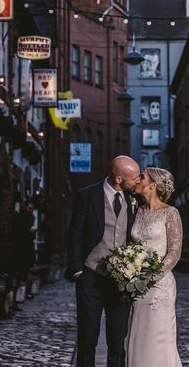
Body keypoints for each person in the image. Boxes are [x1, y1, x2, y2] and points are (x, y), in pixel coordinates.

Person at [66, 155, 141, 367]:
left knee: (117, 340)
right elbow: (75, 234)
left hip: (121, 280)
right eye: (134, 177)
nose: (137, 181)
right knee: (88, 337)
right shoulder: (87, 195)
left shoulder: (134, 200)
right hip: (90, 276)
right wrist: (78, 271)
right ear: (118, 178)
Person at [127, 167, 183, 367]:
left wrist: (151, 276)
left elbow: (175, 252)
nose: (137, 179)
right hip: (136, 285)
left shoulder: (170, 213)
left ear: (153, 185)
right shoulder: (136, 210)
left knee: (158, 339)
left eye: (142, 177)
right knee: (138, 338)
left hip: (159, 285)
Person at [12, 200, 36, 297]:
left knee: (25, 270)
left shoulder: (30, 217)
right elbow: (18, 232)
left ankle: (24, 292)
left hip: (28, 247)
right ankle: (21, 293)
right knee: (21, 271)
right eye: (29, 208)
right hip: (21, 248)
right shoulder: (21, 217)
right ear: (25, 207)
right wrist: (28, 231)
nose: (30, 210)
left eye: (32, 209)